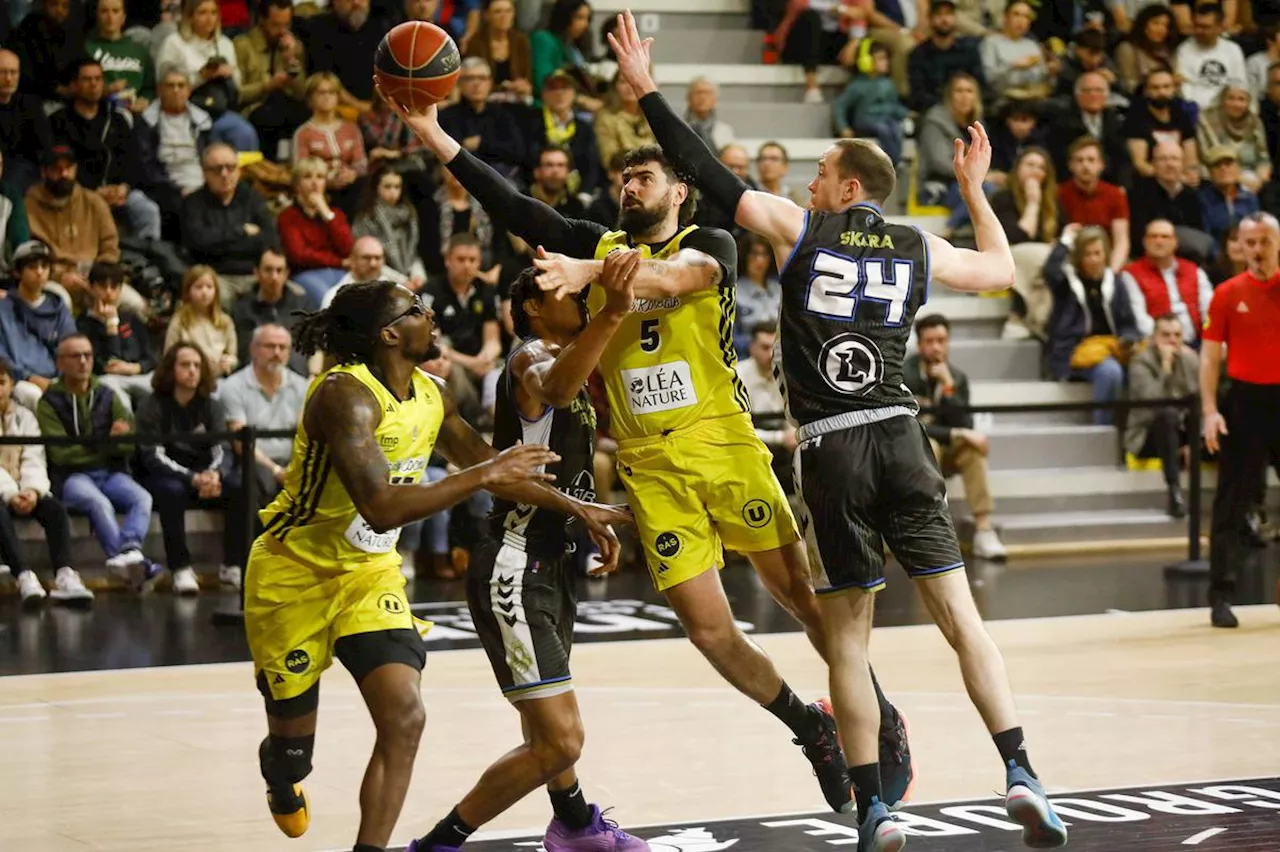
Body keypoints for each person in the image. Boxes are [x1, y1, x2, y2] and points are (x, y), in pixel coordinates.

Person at [384, 78, 915, 818]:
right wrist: (436, 135)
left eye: (644, 177)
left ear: (679, 192)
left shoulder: (713, 243)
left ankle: (879, 716)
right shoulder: (598, 245)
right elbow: (512, 205)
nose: (629, 186)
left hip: (722, 444)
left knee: (798, 595)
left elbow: (678, 277)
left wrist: (593, 273)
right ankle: (811, 727)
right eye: (624, 178)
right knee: (707, 629)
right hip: (647, 460)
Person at [604, 10, 1065, 851]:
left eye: (820, 173)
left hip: (832, 446)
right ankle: (1023, 772)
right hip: (902, 434)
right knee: (965, 621)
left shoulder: (803, 230)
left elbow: (707, 170)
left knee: (848, 641)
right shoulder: (917, 245)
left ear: (849, 188)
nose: (811, 182)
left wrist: (647, 93)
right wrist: (973, 191)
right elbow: (1001, 272)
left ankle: (874, 809)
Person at [243, 280, 628, 851]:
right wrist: (482, 477)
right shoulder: (344, 396)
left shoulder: (432, 393)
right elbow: (380, 507)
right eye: (417, 309)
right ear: (390, 333)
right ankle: (283, 777)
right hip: (292, 574)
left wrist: (579, 508)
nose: (432, 315)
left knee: (405, 717)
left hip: (368, 577)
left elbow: (493, 464)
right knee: (292, 751)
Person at [412, 260, 646, 851]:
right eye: (564, 289)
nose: (581, 295)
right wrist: (581, 510)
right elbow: (555, 387)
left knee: (546, 724)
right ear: (537, 307)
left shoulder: (567, 357)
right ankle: (439, 844)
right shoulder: (528, 355)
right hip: (514, 563)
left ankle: (574, 826)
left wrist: (583, 515)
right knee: (562, 741)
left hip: (551, 561)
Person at [1201, 212, 1280, 629]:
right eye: (1250, 242)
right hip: (1246, 402)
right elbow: (1211, 357)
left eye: (1265, 241)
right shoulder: (1228, 293)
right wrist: (1210, 410)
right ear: (1240, 246)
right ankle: (1221, 595)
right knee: (1231, 501)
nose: (1257, 249)